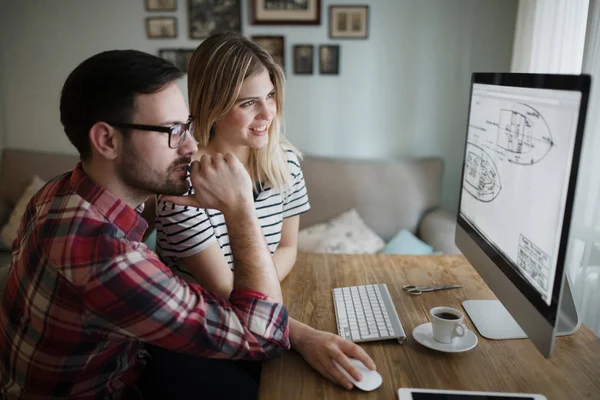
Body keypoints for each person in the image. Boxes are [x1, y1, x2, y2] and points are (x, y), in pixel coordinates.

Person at [0, 49, 291, 399]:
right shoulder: (109, 260)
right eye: (172, 131)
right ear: (107, 140)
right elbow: (265, 336)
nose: (191, 145)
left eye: (188, 125)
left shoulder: (59, 190)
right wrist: (240, 208)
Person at [154, 31, 377, 392]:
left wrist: (264, 284)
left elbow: (288, 246)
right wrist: (303, 336)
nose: (267, 113)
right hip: (200, 339)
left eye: (270, 96)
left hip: (261, 319)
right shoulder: (182, 187)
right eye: (247, 103)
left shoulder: (283, 159)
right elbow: (227, 291)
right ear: (213, 104)